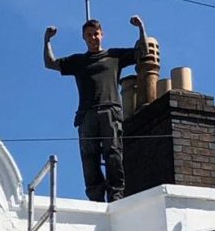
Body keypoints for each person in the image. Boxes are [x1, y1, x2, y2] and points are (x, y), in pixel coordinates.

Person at [43, 15, 144, 203]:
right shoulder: (78, 61)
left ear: (102, 35)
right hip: (87, 114)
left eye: (96, 34)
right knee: (90, 157)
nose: (93, 38)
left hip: (110, 111)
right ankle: (96, 198)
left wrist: (140, 29)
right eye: (89, 35)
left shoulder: (114, 56)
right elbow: (50, 63)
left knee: (113, 152)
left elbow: (141, 52)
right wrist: (47, 40)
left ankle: (116, 194)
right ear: (84, 38)